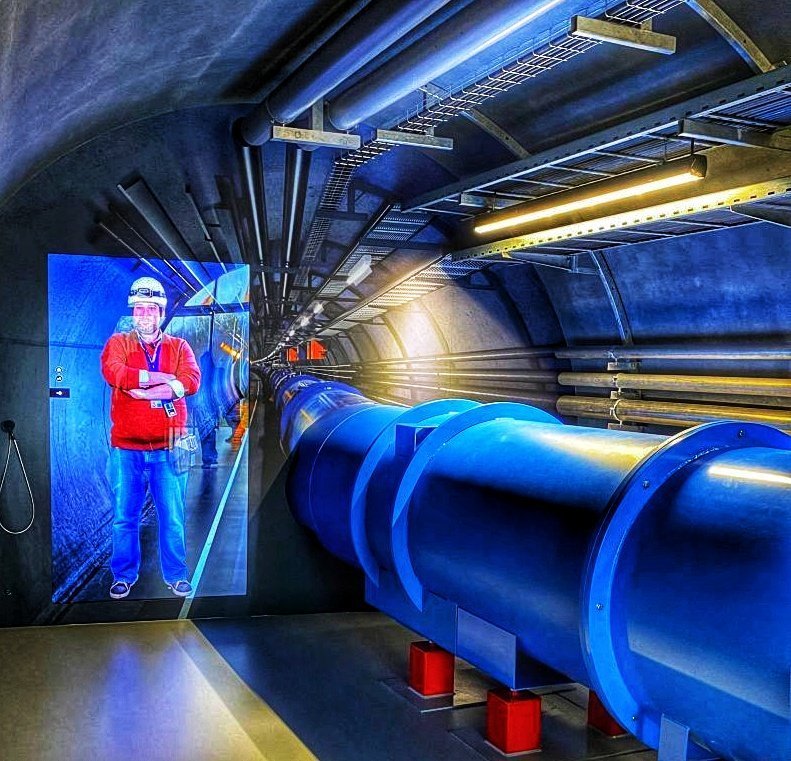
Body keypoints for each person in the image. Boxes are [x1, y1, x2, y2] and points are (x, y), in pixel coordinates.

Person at [100, 276, 201, 599]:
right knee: (124, 517)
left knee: (172, 517)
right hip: (126, 448)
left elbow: (193, 380)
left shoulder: (179, 346)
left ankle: (176, 575)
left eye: (151, 309)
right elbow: (114, 372)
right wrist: (162, 379)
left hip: (170, 446)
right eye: (139, 309)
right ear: (133, 312)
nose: (144, 315)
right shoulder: (119, 343)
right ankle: (123, 575)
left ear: (161, 313)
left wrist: (144, 391)